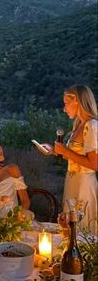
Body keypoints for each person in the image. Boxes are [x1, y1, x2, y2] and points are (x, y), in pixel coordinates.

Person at [37, 85, 97, 234]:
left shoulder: (92, 125)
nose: (64, 109)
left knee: (81, 230)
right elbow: (75, 157)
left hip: (84, 184)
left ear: (77, 101)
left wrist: (65, 151)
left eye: (66, 103)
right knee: (69, 228)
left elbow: (94, 164)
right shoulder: (78, 124)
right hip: (72, 181)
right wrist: (54, 152)